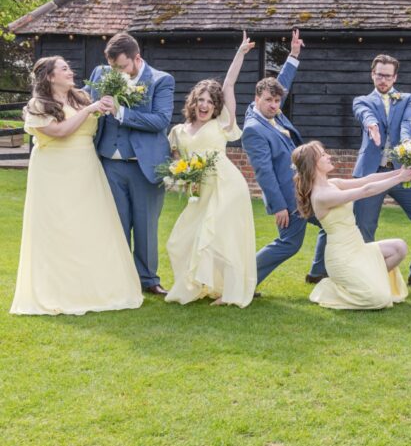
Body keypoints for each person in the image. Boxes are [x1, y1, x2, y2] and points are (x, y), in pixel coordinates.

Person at [11, 56, 143, 315]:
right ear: (50, 76)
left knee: (91, 225)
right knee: (60, 226)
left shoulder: (80, 96)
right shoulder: (39, 104)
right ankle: (60, 291)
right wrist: (90, 108)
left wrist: (106, 103)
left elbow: (95, 121)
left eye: (69, 68)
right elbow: (60, 132)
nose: (70, 72)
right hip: (54, 171)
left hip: (86, 166)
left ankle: (97, 287)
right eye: (64, 69)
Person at [165, 34, 258, 307]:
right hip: (199, 189)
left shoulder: (221, 124)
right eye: (201, 100)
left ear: (216, 107)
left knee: (223, 239)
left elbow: (228, 84)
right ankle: (195, 286)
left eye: (210, 102)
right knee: (179, 239)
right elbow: (175, 163)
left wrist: (240, 53)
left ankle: (230, 294)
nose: (205, 105)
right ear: (193, 102)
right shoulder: (178, 131)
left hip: (226, 184)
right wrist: (181, 178)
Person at [87, 32, 174, 294]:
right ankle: (119, 279)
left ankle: (148, 281)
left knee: (146, 226)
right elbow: (83, 98)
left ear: (137, 58)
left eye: (122, 67)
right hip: (109, 163)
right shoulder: (101, 74)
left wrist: (120, 112)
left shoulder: (161, 80)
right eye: (113, 67)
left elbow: (160, 120)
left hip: (144, 165)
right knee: (116, 224)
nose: (117, 72)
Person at [242, 29, 327, 287]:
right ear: (257, 98)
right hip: (287, 197)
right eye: (268, 100)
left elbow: (283, 83)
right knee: (289, 244)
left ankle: (318, 273)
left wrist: (293, 54)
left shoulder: (273, 114)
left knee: (331, 224)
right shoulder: (253, 130)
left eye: (277, 101)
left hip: (304, 189)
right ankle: (243, 283)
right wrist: (278, 206)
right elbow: (264, 172)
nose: (274, 105)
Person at [352, 54, 411, 292]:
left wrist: (406, 145)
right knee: (364, 226)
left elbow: (407, 124)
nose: (383, 80)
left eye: (387, 76)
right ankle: (362, 277)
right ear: (372, 74)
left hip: (402, 171)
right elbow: (365, 115)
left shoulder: (408, 99)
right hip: (372, 172)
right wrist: (371, 126)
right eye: (379, 75)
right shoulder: (362, 100)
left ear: (395, 77)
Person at [292, 142, 411, 310]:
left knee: (399, 248)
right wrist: (399, 178)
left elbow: (366, 180)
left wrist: (399, 171)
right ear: (313, 163)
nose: (329, 156)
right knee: (378, 299)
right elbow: (366, 190)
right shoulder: (322, 196)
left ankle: (371, 280)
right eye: (323, 155)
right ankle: (332, 288)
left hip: (358, 248)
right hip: (342, 258)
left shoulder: (332, 183)